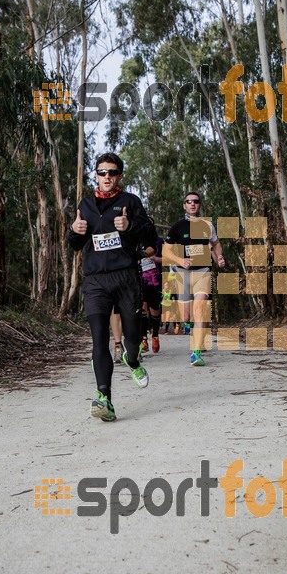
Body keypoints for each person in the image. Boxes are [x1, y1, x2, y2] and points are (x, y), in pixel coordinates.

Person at [68, 152, 156, 421]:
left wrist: (129, 226)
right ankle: (104, 397)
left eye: (113, 172)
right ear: (95, 174)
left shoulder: (130, 201)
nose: (107, 176)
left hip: (126, 277)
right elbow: (74, 245)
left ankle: (132, 360)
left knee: (131, 335)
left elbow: (149, 235)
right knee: (98, 339)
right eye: (102, 172)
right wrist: (75, 231)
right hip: (95, 280)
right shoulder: (86, 204)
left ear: (120, 176)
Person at [163, 193, 225, 366]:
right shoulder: (178, 227)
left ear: (199, 205)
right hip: (183, 273)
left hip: (203, 271)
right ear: (184, 205)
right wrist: (180, 261)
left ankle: (196, 352)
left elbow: (216, 244)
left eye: (196, 201)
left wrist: (219, 257)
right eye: (189, 202)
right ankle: (189, 326)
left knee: (200, 307)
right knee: (186, 315)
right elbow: (166, 252)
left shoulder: (207, 225)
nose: (192, 204)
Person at [139, 234, 164, 353]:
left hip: (155, 281)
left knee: (155, 311)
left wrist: (157, 259)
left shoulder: (158, 241)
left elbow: (171, 258)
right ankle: (144, 339)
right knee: (142, 309)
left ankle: (155, 335)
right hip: (139, 281)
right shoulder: (133, 241)